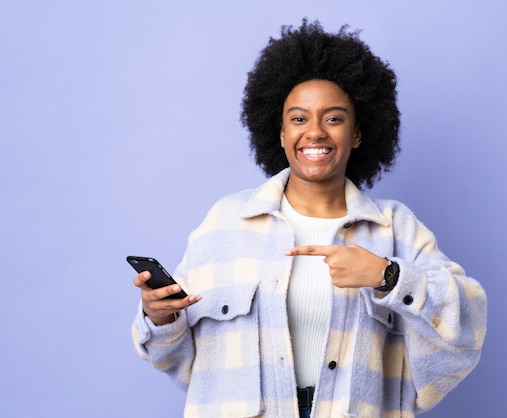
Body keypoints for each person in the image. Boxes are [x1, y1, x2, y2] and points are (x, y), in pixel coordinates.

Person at [131, 19, 487, 418]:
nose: (315, 132)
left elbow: (465, 331)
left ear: (357, 133)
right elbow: (180, 362)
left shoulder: (395, 228)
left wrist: (388, 276)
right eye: (299, 119)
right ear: (280, 132)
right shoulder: (225, 223)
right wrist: (160, 317)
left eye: (333, 118)